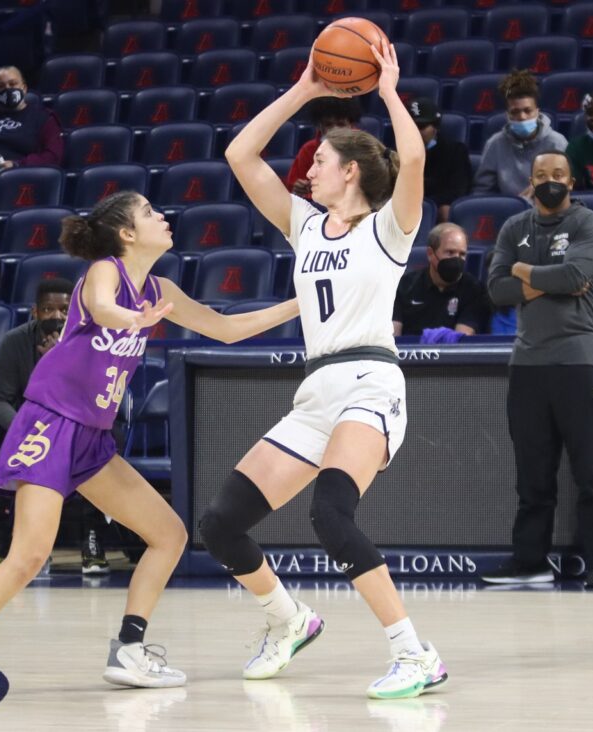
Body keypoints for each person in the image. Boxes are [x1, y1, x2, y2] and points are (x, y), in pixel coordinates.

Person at [0, 190, 301, 702]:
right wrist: (128, 319)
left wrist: (302, 302)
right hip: (52, 421)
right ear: (127, 234)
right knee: (28, 556)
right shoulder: (107, 271)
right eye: (150, 212)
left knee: (168, 534)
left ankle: (130, 650)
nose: (163, 215)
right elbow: (99, 305)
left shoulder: (159, 287)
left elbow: (225, 330)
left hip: (91, 435)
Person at [213, 41, 448, 700]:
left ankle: (414, 651)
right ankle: (287, 619)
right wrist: (306, 89)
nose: (309, 170)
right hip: (316, 390)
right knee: (221, 523)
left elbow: (417, 159)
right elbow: (239, 155)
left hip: (371, 381)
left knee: (331, 512)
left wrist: (389, 91)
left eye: (320, 161)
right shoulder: (305, 225)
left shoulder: (389, 229)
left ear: (351, 173)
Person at [483, 150, 593, 589]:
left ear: (571, 181)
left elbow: (576, 274)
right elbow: (497, 290)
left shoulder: (588, 223)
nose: (549, 181)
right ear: (531, 181)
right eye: (541, 175)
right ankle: (530, 563)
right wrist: (545, 276)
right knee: (532, 473)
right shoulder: (514, 227)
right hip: (528, 364)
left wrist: (523, 273)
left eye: (558, 174)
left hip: (582, 360)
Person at [0, 278, 112, 574]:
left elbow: (95, 396)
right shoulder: (14, 341)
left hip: (77, 426)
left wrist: (57, 363)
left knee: (110, 437)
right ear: (35, 312)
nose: (57, 316)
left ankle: (92, 537)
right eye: (48, 309)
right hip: (25, 431)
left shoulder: (90, 341)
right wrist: (25, 430)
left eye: (64, 309)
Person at [474, 69, 567, 198]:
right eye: (515, 112)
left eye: (528, 111)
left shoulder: (556, 142)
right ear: (507, 115)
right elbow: (483, 192)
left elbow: (567, 185)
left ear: (537, 112)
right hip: (508, 212)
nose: (522, 117)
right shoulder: (494, 144)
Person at [393, 223, 490, 338]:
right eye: (450, 252)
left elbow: (462, 338)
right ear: (430, 254)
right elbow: (393, 335)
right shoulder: (404, 286)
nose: (456, 259)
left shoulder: (474, 289)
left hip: (452, 354)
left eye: (462, 254)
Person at [0, 66, 63, 173]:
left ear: (24, 88)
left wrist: (17, 164)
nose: (7, 89)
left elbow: (53, 156)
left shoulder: (43, 118)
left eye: (13, 84)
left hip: (12, 176)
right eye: (0, 86)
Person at [285, 97, 363, 199]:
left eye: (341, 124)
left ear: (351, 124)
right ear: (320, 126)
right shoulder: (308, 150)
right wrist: (298, 189)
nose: (335, 130)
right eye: (329, 124)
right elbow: (293, 189)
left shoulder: (364, 148)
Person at [408, 98, 472, 222]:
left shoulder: (455, 151)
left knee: (446, 211)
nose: (415, 131)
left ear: (435, 127)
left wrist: (426, 204)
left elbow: (458, 191)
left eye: (421, 126)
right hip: (405, 209)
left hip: (436, 209)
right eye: (411, 126)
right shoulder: (396, 153)